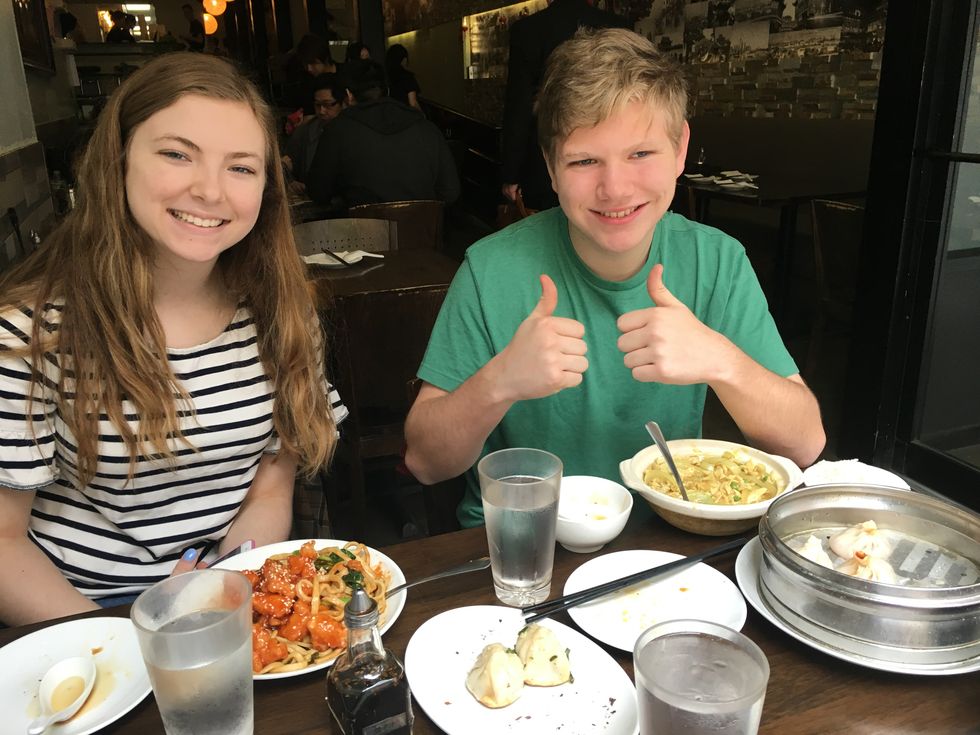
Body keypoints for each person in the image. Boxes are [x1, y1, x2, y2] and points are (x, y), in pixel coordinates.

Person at [404, 28, 825, 528]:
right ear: (551, 168)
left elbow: (805, 444)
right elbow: (425, 463)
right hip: (523, 544)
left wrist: (721, 361)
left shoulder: (717, 260)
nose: (615, 189)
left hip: (669, 538)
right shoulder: (490, 268)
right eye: (585, 161)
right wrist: (499, 382)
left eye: (640, 154)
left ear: (681, 149)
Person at [0, 53, 346, 625]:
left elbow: (269, 486)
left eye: (241, 168)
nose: (210, 190)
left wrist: (221, 594)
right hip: (83, 625)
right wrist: (137, 643)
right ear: (118, 161)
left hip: (222, 608)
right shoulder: (29, 333)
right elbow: (4, 542)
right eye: (177, 154)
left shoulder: (282, 313)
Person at [501, 0, 630, 211]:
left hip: (546, 159)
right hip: (609, 153)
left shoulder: (528, 30)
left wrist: (511, 174)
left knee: (548, 223)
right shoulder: (618, 26)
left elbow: (518, 107)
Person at [306, 59, 459, 208]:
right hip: (423, 224)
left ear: (349, 95)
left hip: (360, 225)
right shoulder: (426, 128)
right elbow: (450, 192)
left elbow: (318, 192)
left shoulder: (337, 130)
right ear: (387, 91)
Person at [283, 73, 346, 191]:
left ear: (344, 103)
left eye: (328, 105)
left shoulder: (353, 131)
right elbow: (285, 165)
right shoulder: (305, 130)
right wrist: (290, 182)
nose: (322, 111)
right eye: (318, 105)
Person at [385, 44, 422, 111]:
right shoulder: (407, 77)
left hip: (389, 112)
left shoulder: (385, 76)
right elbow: (413, 103)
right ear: (404, 59)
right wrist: (422, 115)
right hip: (405, 114)